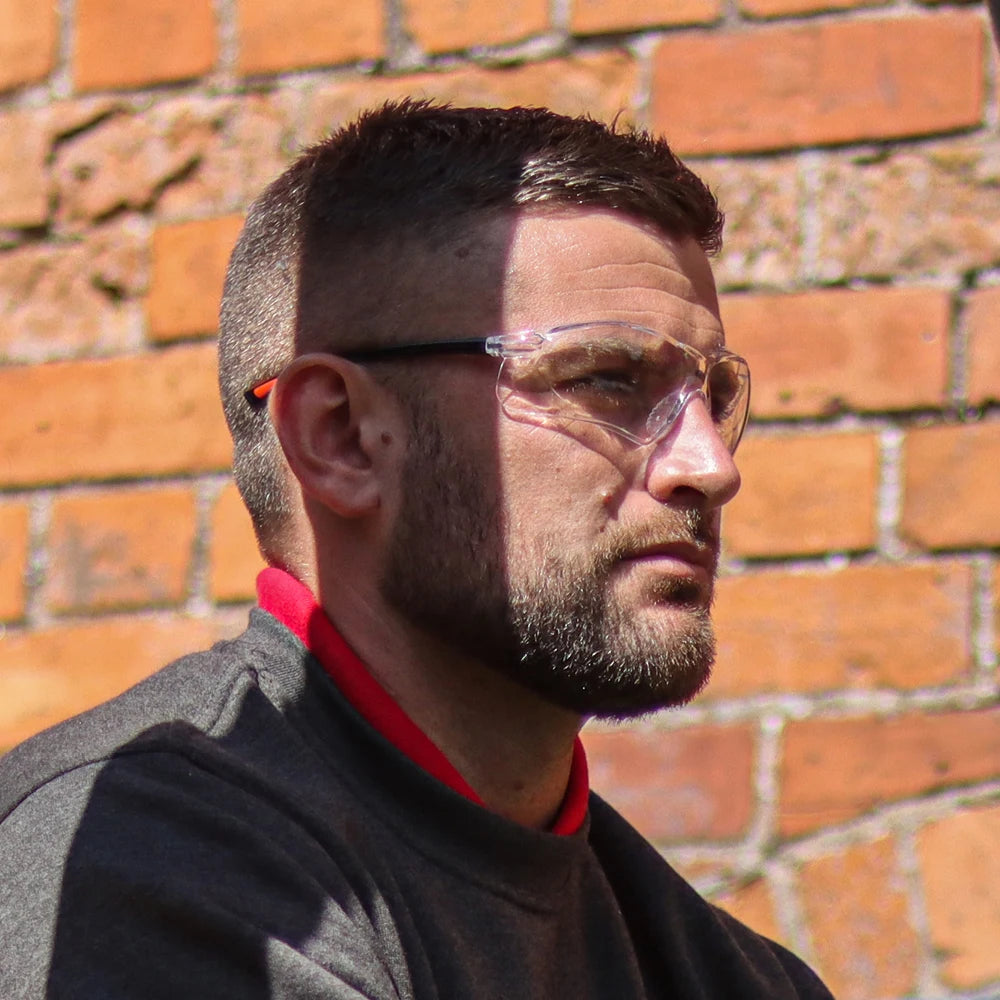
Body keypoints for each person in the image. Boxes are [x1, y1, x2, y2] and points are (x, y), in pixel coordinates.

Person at [0, 100, 832, 998]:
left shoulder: (731, 975)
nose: (710, 467)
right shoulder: (143, 860)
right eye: (605, 379)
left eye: (714, 397)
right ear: (342, 437)